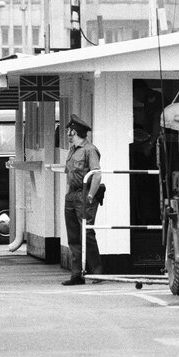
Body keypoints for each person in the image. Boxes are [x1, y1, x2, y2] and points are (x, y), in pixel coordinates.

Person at [62, 114, 104, 286]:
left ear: (75, 131)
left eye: (69, 131)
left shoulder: (89, 150)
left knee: (86, 233)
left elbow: (97, 174)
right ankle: (76, 274)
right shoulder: (72, 150)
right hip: (72, 195)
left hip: (84, 195)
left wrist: (90, 196)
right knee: (73, 236)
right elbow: (69, 175)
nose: (67, 134)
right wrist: (67, 194)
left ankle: (97, 272)